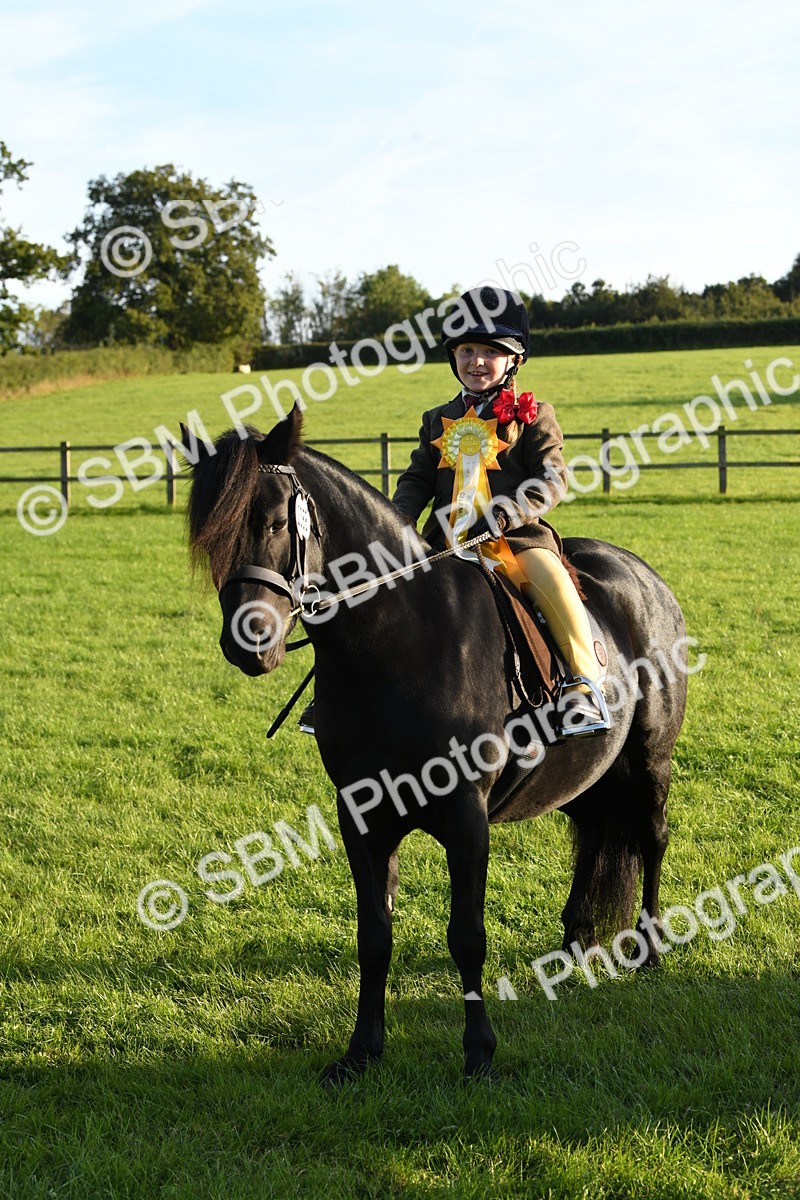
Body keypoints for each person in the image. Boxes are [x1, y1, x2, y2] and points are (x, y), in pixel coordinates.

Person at [391, 285, 609, 735]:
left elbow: (553, 480)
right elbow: (416, 479)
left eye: (489, 351)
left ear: (514, 360)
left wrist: (508, 514)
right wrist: (394, 522)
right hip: (443, 542)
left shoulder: (533, 415)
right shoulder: (437, 418)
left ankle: (582, 686)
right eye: (466, 350)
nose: (475, 361)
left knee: (552, 582)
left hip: (514, 539)